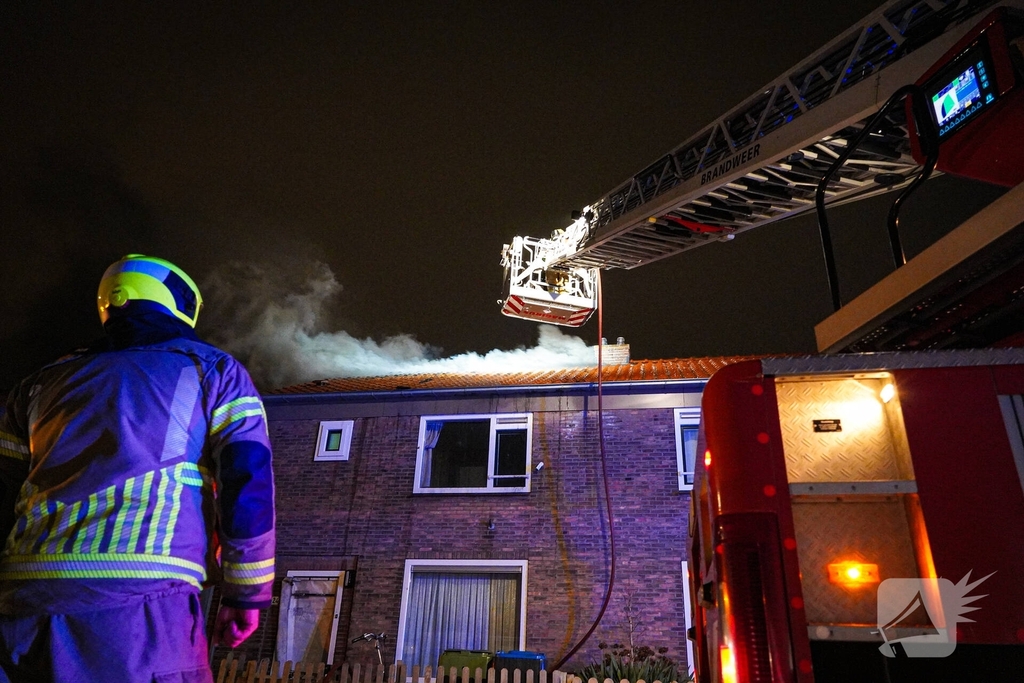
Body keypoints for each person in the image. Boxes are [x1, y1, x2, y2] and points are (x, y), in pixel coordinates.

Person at [0, 255, 276, 682]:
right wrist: (247, 594)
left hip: (22, 601)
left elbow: (5, 491)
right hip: (142, 604)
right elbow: (248, 484)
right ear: (181, 303)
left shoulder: (36, 385)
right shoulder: (214, 371)